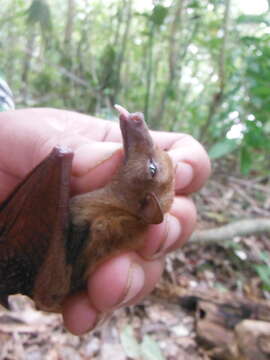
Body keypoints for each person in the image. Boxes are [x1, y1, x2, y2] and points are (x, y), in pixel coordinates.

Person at [0, 85, 211, 335]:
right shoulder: (104, 193)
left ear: (142, 204)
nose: (147, 145)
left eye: (151, 168)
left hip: (48, 271)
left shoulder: (103, 223)